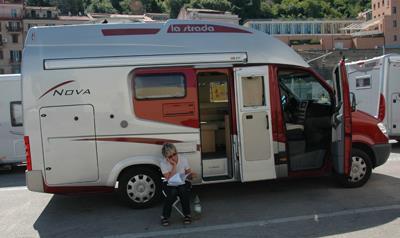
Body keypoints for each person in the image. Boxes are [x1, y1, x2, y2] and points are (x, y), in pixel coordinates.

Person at [160, 143, 193, 226]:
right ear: (166, 157)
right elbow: (169, 179)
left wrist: (190, 176)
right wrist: (174, 166)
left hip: (182, 182)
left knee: (182, 189)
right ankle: (165, 216)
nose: (173, 157)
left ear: (176, 152)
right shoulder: (163, 163)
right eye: (170, 156)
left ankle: (187, 215)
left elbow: (189, 174)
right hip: (169, 183)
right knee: (172, 192)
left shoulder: (183, 159)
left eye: (174, 154)